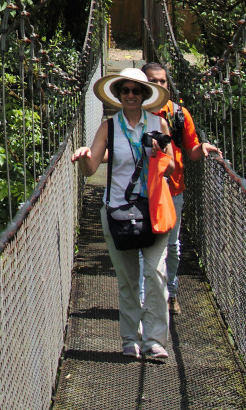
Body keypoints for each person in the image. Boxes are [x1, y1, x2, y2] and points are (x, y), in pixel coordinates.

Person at [71, 67, 175, 361]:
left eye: (136, 90)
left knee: (155, 274)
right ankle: (130, 339)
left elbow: (172, 168)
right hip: (118, 212)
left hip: (154, 211)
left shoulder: (159, 124)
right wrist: (82, 158)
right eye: (125, 90)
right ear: (117, 95)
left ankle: (154, 340)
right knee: (128, 280)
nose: (130, 95)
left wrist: (158, 156)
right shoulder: (109, 128)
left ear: (144, 95)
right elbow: (91, 169)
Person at [142, 61, 218, 316]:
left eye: (163, 81)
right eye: (153, 80)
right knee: (145, 248)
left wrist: (203, 147)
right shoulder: (133, 111)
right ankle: (147, 299)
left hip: (173, 190)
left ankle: (171, 293)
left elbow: (192, 151)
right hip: (143, 192)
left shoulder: (178, 114)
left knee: (172, 246)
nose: (159, 85)